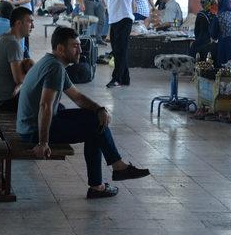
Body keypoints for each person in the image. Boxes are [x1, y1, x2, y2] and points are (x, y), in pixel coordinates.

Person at [17, 26, 150, 198]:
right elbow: (45, 106)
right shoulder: (55, 68)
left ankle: (107, 177)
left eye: (79, 45)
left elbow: (77, 97)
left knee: (95, 119)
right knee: (94, 128)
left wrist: (99, 109)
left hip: (34, 123)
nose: (80, 50)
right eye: (75, 46)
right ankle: (109, 175)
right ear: (60, 49)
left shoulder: (53, 63)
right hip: (32, 131)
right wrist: (43, 143)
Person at [0, 7, 35, 111]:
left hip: (1, 99)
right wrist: (21, 84)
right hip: (8, 101)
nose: (33, 26)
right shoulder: (13, 43)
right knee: (53, 104)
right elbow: (19, 79)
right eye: (30, 22)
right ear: (18, 23)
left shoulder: (4, 37)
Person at [96, 0, 134, 88]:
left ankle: (116, 79)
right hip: (114, 21)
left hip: (124, 19)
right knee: (117, 50)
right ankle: (125, 78)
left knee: (120, 50)